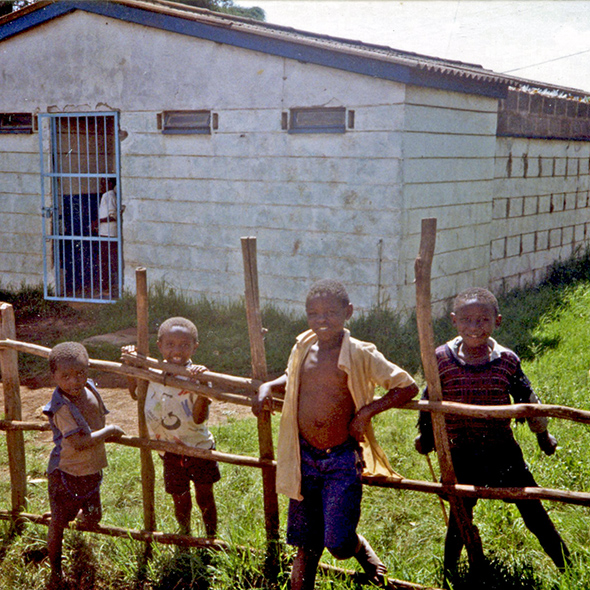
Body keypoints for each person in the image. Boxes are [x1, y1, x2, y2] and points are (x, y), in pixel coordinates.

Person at [252, 279, 418, 590]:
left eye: (330, 312)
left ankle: (358, 548)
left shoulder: (359, 353)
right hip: (304, 456)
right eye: (314, 314)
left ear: (349, 312)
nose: (322, 320)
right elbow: (291, 376)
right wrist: (267, 387)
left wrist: (365, 413)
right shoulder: (303, 346)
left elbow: (407, 386)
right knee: (305, 543)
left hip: (341, 457)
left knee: (338, 543)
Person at [414, 287, 570, 579]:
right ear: (454, 321)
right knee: (460, 517)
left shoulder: (506, 360)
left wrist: (542, 436)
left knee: (532, 510)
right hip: (460, 450)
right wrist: (426, 436)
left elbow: (528, 401)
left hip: (501, 451)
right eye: (467, 320)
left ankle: (568, 566)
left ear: (497, 321)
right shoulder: (441, 359)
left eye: (483, 320)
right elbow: (428, 400)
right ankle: (448, 573)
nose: (475, 327)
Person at [123, 316, 220, 538]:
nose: (177, 350)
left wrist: (203, 388)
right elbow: (135, 393)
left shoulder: (198, 376)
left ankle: (211, 538)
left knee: (205, 496)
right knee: (180, 497)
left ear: (195, 347)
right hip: (168, 450)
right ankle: (184, 534)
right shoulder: (152, 374)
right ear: (160, 346)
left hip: (198, 448)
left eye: (185, 345)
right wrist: (130, 365)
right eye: (170, 345)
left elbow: (199, 419)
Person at [43, 342, 125, 587]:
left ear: (87, 371)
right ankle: (55, 571)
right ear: (54, 376)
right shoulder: (61, 407)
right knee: (58, 523)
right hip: (66, 474)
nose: (74, 381)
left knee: (93, 516)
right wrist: (109, 430)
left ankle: (78, 516)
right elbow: (78, 442)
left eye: (80, 373)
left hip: (90, 471)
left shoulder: (88, 388)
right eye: (65, 376)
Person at [98, 178, 121, 297]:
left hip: (109, 233)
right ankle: (110, 287)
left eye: (104, 182)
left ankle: (110, 288)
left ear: (111, 184)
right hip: (105, 233)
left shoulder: (109, 196)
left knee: (107, 261)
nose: (101, 185)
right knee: (107, 261)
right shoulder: (107, 196)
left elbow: (113, 216)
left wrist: (97, 222)